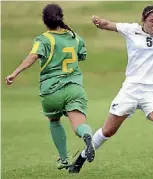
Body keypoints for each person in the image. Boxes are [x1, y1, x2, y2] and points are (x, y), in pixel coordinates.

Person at [69, 5, 153, 177]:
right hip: (130, 90)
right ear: (143, 20)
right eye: (152, 21)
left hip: (152, 91)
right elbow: (110, 25)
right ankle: (80, 159)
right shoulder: (132, 30)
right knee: (108, 131)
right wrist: (99, 22)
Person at [5, 3, 95, 170]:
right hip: (74, 87)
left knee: (54, 120)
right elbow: (81, 56)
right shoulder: (75, 37)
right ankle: (87, 135)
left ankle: (63, 159)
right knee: (78, 124)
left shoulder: (44, 39)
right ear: (61, 17)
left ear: (44, 21)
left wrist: (14, 73)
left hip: (51, 90)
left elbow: (33, 56)